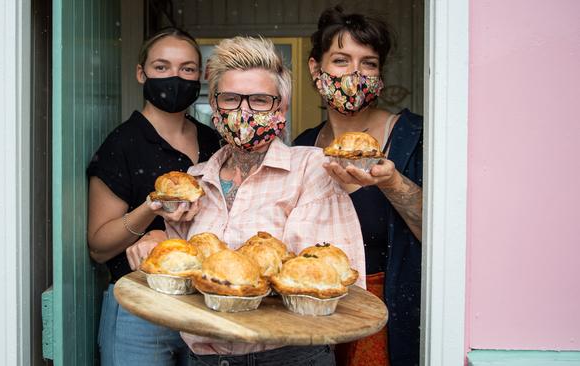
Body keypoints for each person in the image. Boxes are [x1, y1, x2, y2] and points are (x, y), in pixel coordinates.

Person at [148, 36, 367, 366]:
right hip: (205, 359)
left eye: (260, 100)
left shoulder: (312, 170)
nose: (244, 111)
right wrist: (159, 239)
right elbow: (185, 284)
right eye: (231, 99)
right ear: (215, 106)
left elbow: (318, 282)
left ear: (282, 107)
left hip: (290, 356)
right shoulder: (193, 180)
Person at [294, 6, 423, 366]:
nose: (355, 73)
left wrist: (392, 182)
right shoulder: (302, 148)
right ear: (315, 69)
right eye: (341, 60)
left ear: (380, 74)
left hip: (388, 320)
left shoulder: (412, 137)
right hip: (314, 315)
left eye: (368, 63)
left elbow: (443, 238)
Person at [86, 27, 221, 366]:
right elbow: (99, 246)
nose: (175, 77)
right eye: (162, 67)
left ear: (200, 76)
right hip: (139, 307)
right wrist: (151, 208)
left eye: (187, 69)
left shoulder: (214, 142)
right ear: (141, 73)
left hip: (205, 303)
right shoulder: (122, 145)